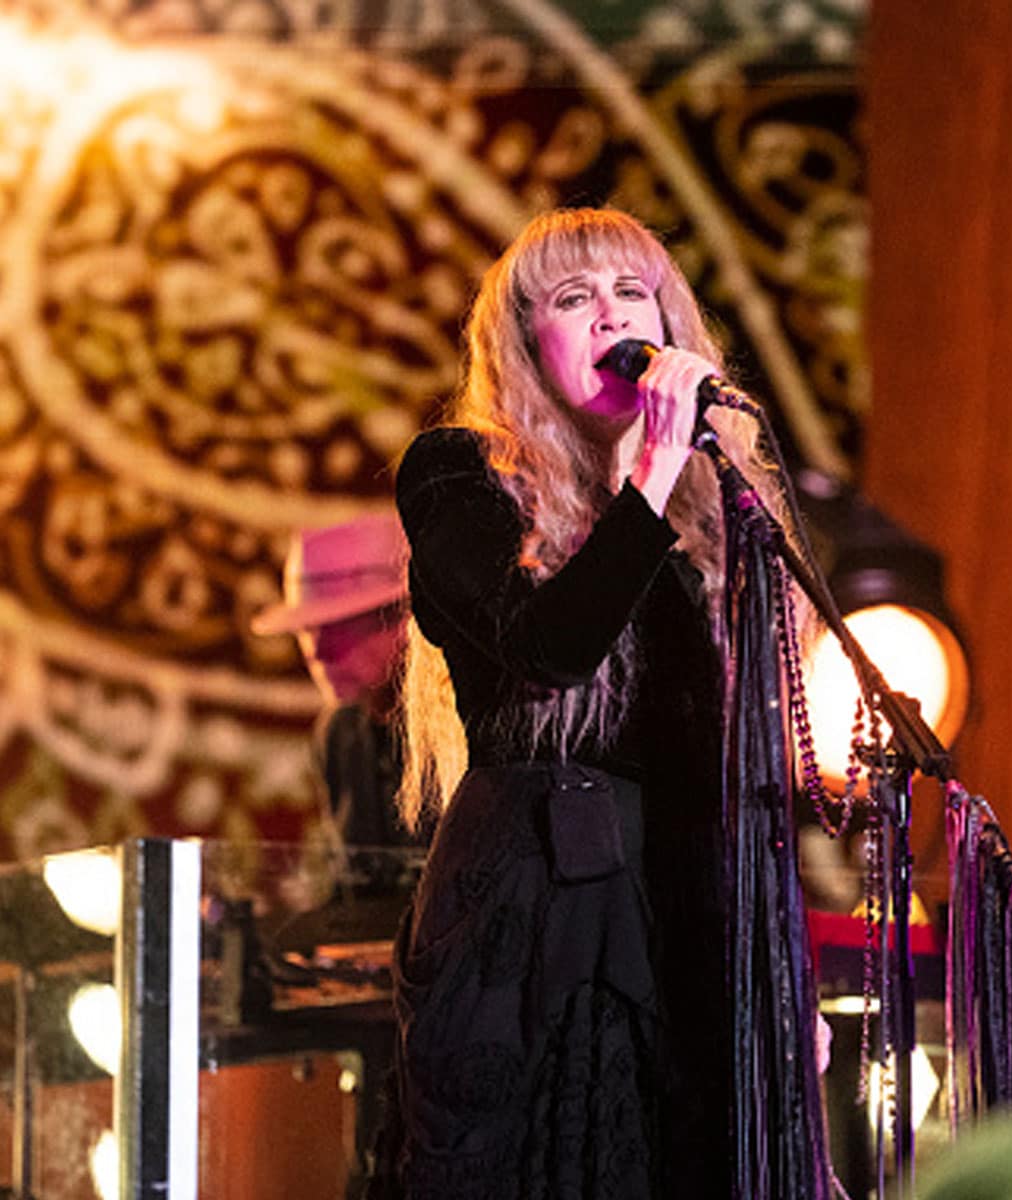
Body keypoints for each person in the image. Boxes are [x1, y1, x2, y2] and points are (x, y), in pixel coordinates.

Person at [381, 207, 823, 1199]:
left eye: (635, 294)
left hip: (685, 908)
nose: (611, 317)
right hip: (536, 905)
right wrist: (649, 475)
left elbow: (742, 768)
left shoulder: (719, 508)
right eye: (573, 300)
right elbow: (552, 651)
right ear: (525, 342)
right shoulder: (459, 475)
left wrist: (784, 982)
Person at [251, 512, 432, 854]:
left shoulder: (461, 728)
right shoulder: (339, 735)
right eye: (306, 631)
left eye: (338, 628)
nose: (317, 652)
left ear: (405, 617)